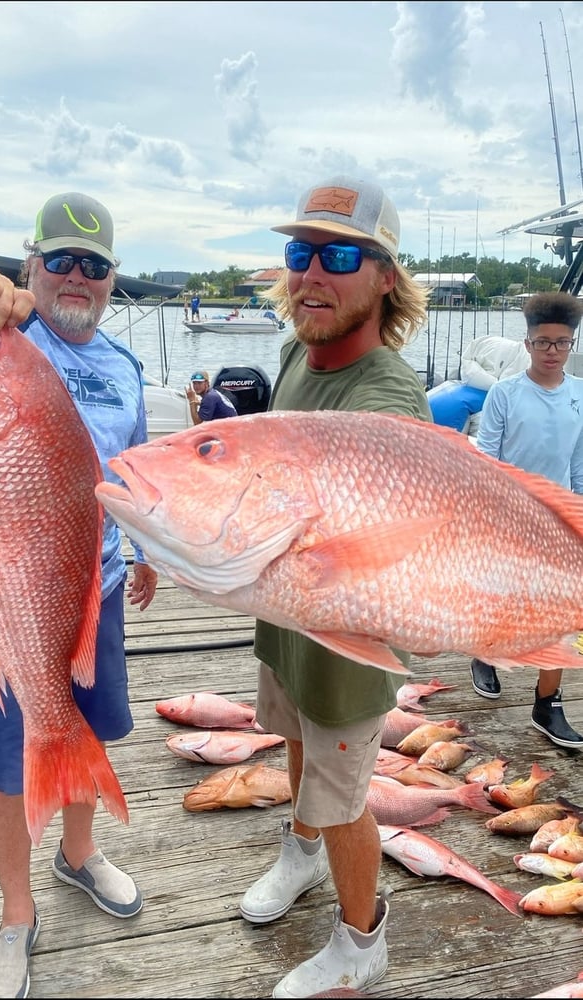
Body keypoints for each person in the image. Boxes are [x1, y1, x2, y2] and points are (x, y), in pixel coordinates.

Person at [0, 190, 159, 999]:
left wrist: (148, 548)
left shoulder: (125, 368)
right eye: (60, 261)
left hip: (101, 587)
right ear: (31, 268)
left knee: (85, 731)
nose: (77, 277)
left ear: (112, 280)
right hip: (7, 592)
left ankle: (79, 855)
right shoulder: (5, 336)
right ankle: (17, 916)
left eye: (94, 265)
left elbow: (135, 469)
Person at [238, 175, 432, 998]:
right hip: (286, 618)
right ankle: (301, 852)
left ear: (384, 275)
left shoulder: (385, 396)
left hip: (348, 642)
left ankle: (361, 942)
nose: (312, 273)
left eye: (341, 254)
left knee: (345, 794)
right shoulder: (293, 352)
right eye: (300, 252)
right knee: (288, 733)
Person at [470, 290, 583, 749]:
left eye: (562, 343)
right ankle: (484, 655)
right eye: (543, 342)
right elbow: (486, 457)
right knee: (502, 596)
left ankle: (547, 702)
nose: (552, 352)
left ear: (572, 343)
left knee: (560, 609)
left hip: (559, 517)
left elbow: (577, 461)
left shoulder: (580, 394)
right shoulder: (504, 393)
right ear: (528, 343)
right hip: (510, 515)